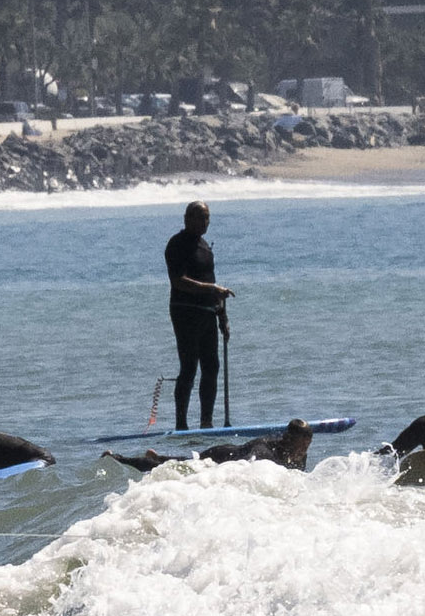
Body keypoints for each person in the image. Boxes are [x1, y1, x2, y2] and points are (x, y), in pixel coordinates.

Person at [164, 200, 233, 429]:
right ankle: (181, 424)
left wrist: (222, 316)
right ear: (187, 219)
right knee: (189, 367)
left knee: (211, 366)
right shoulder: (177, 244)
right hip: (185, 313)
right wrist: (212, 290)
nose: (205, 222)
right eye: (200, 217)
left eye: (208, 218)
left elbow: (211, 281)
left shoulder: (205, 247)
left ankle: (206, 423)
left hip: (208, 314)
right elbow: (178, 281)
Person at [107, 417, 315, 473]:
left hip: (225, 454)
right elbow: (245, 464)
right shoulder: (265, 449)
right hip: (221, 455)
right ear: (289, 439)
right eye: (301, 443)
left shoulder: (299, 456)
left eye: (307, 444)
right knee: (175, 468)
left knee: (178, 462)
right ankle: (118, 459)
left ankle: (157, 456)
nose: (304, 449)